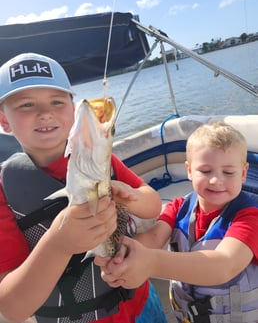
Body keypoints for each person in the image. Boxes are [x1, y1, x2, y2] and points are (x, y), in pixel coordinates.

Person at [0, 53, 167, 323]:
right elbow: (11, 308)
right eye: (26, 104)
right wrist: (59, 243)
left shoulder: (101, 160)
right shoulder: (4, 192)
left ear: (73, 108)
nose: (45, 113)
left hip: (141, 302)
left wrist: (131, 196)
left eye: (57, 101)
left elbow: (153, 204)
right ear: (4, 120)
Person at [96, 122, 258, 323]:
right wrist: (121, 259)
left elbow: (224, 265)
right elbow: (153, 237)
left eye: (228, 172)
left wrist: (151, 263)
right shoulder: (178, 207)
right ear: (189, 171)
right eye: (206, 171)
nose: (216, 180)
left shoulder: (250, 216)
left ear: (243, 173)